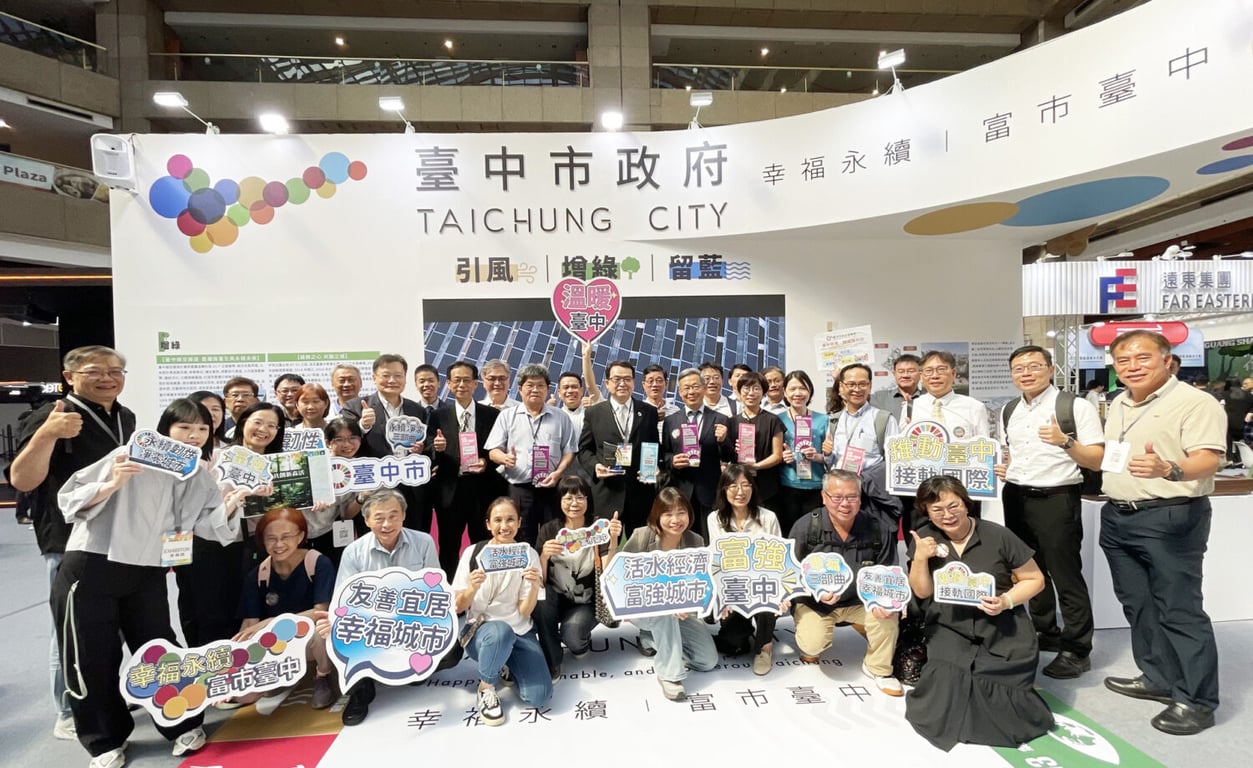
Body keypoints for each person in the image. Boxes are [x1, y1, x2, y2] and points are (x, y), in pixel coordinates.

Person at [52, 398, 254, 767]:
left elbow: (207, 525)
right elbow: (69, 500)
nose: (194, 436)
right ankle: (104, 739)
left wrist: (232, 502)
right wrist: (112, 483)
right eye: (184, 427)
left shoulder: (197, 473)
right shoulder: (128, 455)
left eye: (202, 429)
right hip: (94, 564)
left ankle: (183, 723)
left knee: (160, 648)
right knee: (91, 655)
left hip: (148, 571)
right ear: (165, 429)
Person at [1099, 330, 1224, 735]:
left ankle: (1196, 700)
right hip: (1119, 516)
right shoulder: (1119, 403)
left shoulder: (1195, 402)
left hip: (1170, 517)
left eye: (1142, 358)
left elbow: (1208, 459)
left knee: (1179, 609)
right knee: (1139, 605)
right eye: (1123, 360)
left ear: (1167, 360)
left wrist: (1168, 468)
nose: (1132, 367)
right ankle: (1157, 676)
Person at [9, 345, 137, 742]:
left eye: (115, 371)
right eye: (95, 371)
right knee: (69, 630)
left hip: (116, 536)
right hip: (68, 539)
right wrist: (48, 434)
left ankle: (102, 698)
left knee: (108, 627)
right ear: (69, 377)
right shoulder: (52, 414)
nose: (107, 378)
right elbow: (22, 479)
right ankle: (68, 709)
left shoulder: (125, 416)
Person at [905, 475, 1050, 750]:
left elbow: (1035, 579)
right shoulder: (924, 538)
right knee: (948, 677)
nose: (947, 515)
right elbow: (922, 592)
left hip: (1002, 623)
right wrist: (921, 558)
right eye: (937, 509)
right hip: (949, 624)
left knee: (996, 679)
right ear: (926, 511)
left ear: (966, 503)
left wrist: (1006, 601)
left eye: (953, 506)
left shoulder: (998, 535)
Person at [995, 345, 1103, 679]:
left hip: (1057, 497)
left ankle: (1077, 649)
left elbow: (1096, 459)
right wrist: (1008, 468)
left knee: (1065, 573)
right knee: (1028, 569)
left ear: (1051, 369)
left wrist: (1064, 441)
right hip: (1016, 495)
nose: (1026, 373)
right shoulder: (1009, 409)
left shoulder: (1075, 406)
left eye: (1034, 366)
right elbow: (1012, 452)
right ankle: (1046, 632)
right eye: (1018, 368)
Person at [787, 470, 901, 695]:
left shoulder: (878, 528)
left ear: (860, 497)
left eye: (851, 497)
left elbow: (888, 575)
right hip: (817, 604)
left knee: (888, 615)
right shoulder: (806, 526)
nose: (845, 504)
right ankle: (814, 641)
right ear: (824, 497)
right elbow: (791, 573)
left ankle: (878, 668)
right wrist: (816, 592)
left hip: (861, 602)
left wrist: (884, 601)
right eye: (837, 497)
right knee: (812, 644)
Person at [335, 489, 440, 726]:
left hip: (411, 621)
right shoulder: (354, 552)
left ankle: (408, 664)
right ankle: (361, 689)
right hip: (372, 624)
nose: (387, 524)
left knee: (451, 650)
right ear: (366, 521)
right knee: (341, 630)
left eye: (393, 516)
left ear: (404, 515)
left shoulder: (423, 542)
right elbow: (344, 601)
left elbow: (434, 591)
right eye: (379, 518)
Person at [453, 497, 552, 725]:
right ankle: (486, 687)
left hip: (520, 631)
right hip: (483, 633)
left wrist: (534, 586)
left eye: (510, 520)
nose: (504, 526)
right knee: (500, 632)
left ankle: (505, 662)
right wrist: (472, 588)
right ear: (488, 524)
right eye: (497, 520)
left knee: (540, 696)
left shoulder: (528, 554)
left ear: (519, 523)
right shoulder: (473, 553)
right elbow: (458, 606)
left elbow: (525, 612)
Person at [617, 487, 717, 701]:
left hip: (680, 613)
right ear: (657, 515)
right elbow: (621, 577)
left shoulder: (695, 541)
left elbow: (700, 584)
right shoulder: (642, 536)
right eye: (668, 514)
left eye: (681, 512)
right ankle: (670, 675)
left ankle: (650, 638)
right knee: (665, 611)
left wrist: (687, 605)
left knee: (707, 661)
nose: (675, 520)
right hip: (643, 607)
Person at [234, 507, 336, 711]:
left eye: (286, 537)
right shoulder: (258, 574)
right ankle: (277, 676)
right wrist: (236, 662)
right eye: (271, 538)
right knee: (243, 696)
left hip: (310, 636)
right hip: (278, 642)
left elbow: (320, 612)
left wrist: (272, 623)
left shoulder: (317, 563)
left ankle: (323, 676)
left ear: (300, 536)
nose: (279, 544)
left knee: (320, 631)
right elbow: (251, 624)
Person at [535, 476, 622, 677]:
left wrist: (613, 540)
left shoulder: (598, 528)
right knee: (541, 598)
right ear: (559, 501)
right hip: (556, 598)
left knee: (573, 637)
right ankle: (552, 660)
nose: (574, 503)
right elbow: (540, 581)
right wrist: (544, 556)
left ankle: (579, 640)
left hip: (586, 601)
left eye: (580, 497)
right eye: (568, 498)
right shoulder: (549, 530)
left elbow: (607, 572)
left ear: (588, 500)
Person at [485, 364, 578, 546]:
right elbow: (493, 451)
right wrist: (504, 458)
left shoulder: (561, 417)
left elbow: (569, 451)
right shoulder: (507, 416)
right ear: (520, 389)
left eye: (540, 385)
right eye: (530, 385)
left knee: (553, 537)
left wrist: (558, 472)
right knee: (521, 538)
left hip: (551, 488)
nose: (535, 390)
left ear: (547, 389)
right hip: (519, 489)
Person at [430, 360, 508, 577]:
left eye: (467, 380)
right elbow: (428, 452)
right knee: (448, 546)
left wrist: (487, 462)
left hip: (483, 491)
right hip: (450, 492)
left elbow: (499, 449)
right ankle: (452, 591)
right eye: (457, 380)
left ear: (475, 384)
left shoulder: (492, 415)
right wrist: (436, 448)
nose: (462, 385)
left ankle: (485, 587)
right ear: (448, 384)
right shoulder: (437, 416)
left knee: (484, 544)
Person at [343, 354, 433, 532]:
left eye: (398, 375)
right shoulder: (356, 407)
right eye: (386, 375)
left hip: (410, 489)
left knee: (412, 537)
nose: (392, 380)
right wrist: (363, 425)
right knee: (375, 539)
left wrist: (421, 449)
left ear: (405, 379)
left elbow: (426, 446)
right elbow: (345, 444)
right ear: (374, 378)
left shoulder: (417, 410)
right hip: (374, 489)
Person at [707, 465, 781, 674]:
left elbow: (778, 562)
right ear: (724, 489)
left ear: (753, 488)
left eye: (745, 485)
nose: (740, 492)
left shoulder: (768, 517)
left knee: (766, 595)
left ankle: (764, 647)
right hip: (733, 587)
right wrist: (722, 598)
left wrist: (780, 594)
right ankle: (743, 631)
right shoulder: (715, 519)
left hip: (761, 584)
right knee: (733, 642)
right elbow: (717, 562)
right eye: (733, 486)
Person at [577, 359, 660, 535]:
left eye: (627, 379)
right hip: (607, 491)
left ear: (634, 382)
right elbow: (584, 450)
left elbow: (654, 446)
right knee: (605, 545)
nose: (622, 383)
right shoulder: (594, 413)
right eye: (617, 379)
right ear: (607, 383)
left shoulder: (649, 411)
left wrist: (654, 467)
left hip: (640, 491)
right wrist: (595, 466)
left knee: (642, 545)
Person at [660, 367, 733, 538]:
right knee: (681, 538)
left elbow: (729, 456)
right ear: (680, 392)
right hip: (680, 489)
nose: (691, 392)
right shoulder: (671, 421)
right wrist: (672, 461)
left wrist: (724, 440)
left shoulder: (720, 419)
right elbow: (664, 454)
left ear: (704, 387)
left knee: (710, 538)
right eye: (686, 388)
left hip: (709, 490)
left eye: (695, 386)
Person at [303, 417, 365, 565]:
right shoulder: (314, 463)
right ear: (328, 443)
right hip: (301, 531)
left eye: (353, 438)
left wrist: (362, 497)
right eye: (339, 439)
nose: (347, 444)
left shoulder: (360, 468)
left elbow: (347, 514)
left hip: (330, 531)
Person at [776, 370, 830, 533]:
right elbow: (771, 452)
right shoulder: (777, 419)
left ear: (810, 391)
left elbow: (831, 456)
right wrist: (781, 456)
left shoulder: (823, 420)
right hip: (787, 486)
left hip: (815, 486)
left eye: (802, 388)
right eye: (792, 389)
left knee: (814, 533)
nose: (797, 393)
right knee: (789, 532)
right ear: (785, 392)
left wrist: (818, 456)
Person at [823, 363, 896, 471]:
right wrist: (827, 454)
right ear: (841, 387)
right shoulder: (834, 420)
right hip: (839, 479)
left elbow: (894, 461)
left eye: (862, 384)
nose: (857, 389)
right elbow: (830, 463)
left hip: (869, 481)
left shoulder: (884, 420)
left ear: (870, 386)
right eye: (851, 384)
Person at [728, 371, 784, 510]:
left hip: (767, 484)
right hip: (739, 484)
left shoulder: (773, 420)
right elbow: (726, 455)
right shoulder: (731, 422)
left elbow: (777, 455)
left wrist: (756, 466)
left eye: (756, 388)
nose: (751, 393)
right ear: (739, 392)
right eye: (746, 388)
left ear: (763, 393)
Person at [910, 350, 990, 438]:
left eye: (941, 370)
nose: (935, 376)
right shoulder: (910, 407)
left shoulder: (975, 407)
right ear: (921, 376)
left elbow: (984, 444)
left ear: (953, 373)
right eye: (928, 371)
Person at [870, 353, 922, 423]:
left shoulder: (929, 400)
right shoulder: (878, 398)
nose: (905, 375)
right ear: (894, 374)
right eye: (901, 371)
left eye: (911, 371)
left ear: (920, 374)